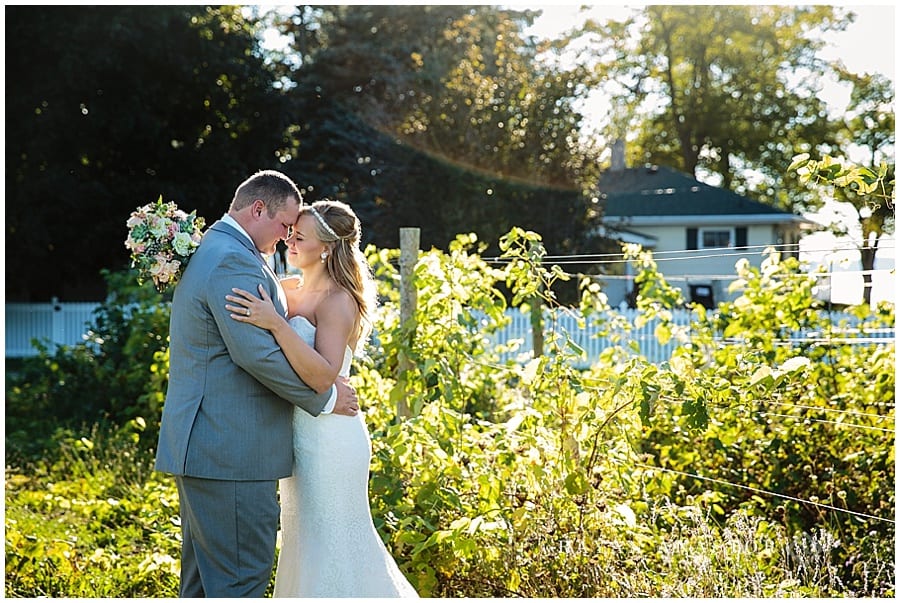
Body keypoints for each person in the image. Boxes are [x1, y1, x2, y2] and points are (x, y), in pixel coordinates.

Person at [155, 171, 360, 598]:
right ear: (258, 209)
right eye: (286, 226)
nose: (287, 237)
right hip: (230, 452)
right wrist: (324, 399)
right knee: (239, 582)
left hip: (215, 447)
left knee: (204, 583)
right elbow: (255, 354)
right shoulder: (232, 259)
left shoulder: (221, 249)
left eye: (296, 232)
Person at [225, 199, 419, 598]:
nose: (289, 243)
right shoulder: (284, 288)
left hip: (332, 439)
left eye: (300, 237)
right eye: (290, 234)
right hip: (296, 436)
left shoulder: (339, 300)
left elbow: (321, 375)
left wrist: (277, 325)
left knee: (335, 544)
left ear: (327, 247)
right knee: (302, 541)